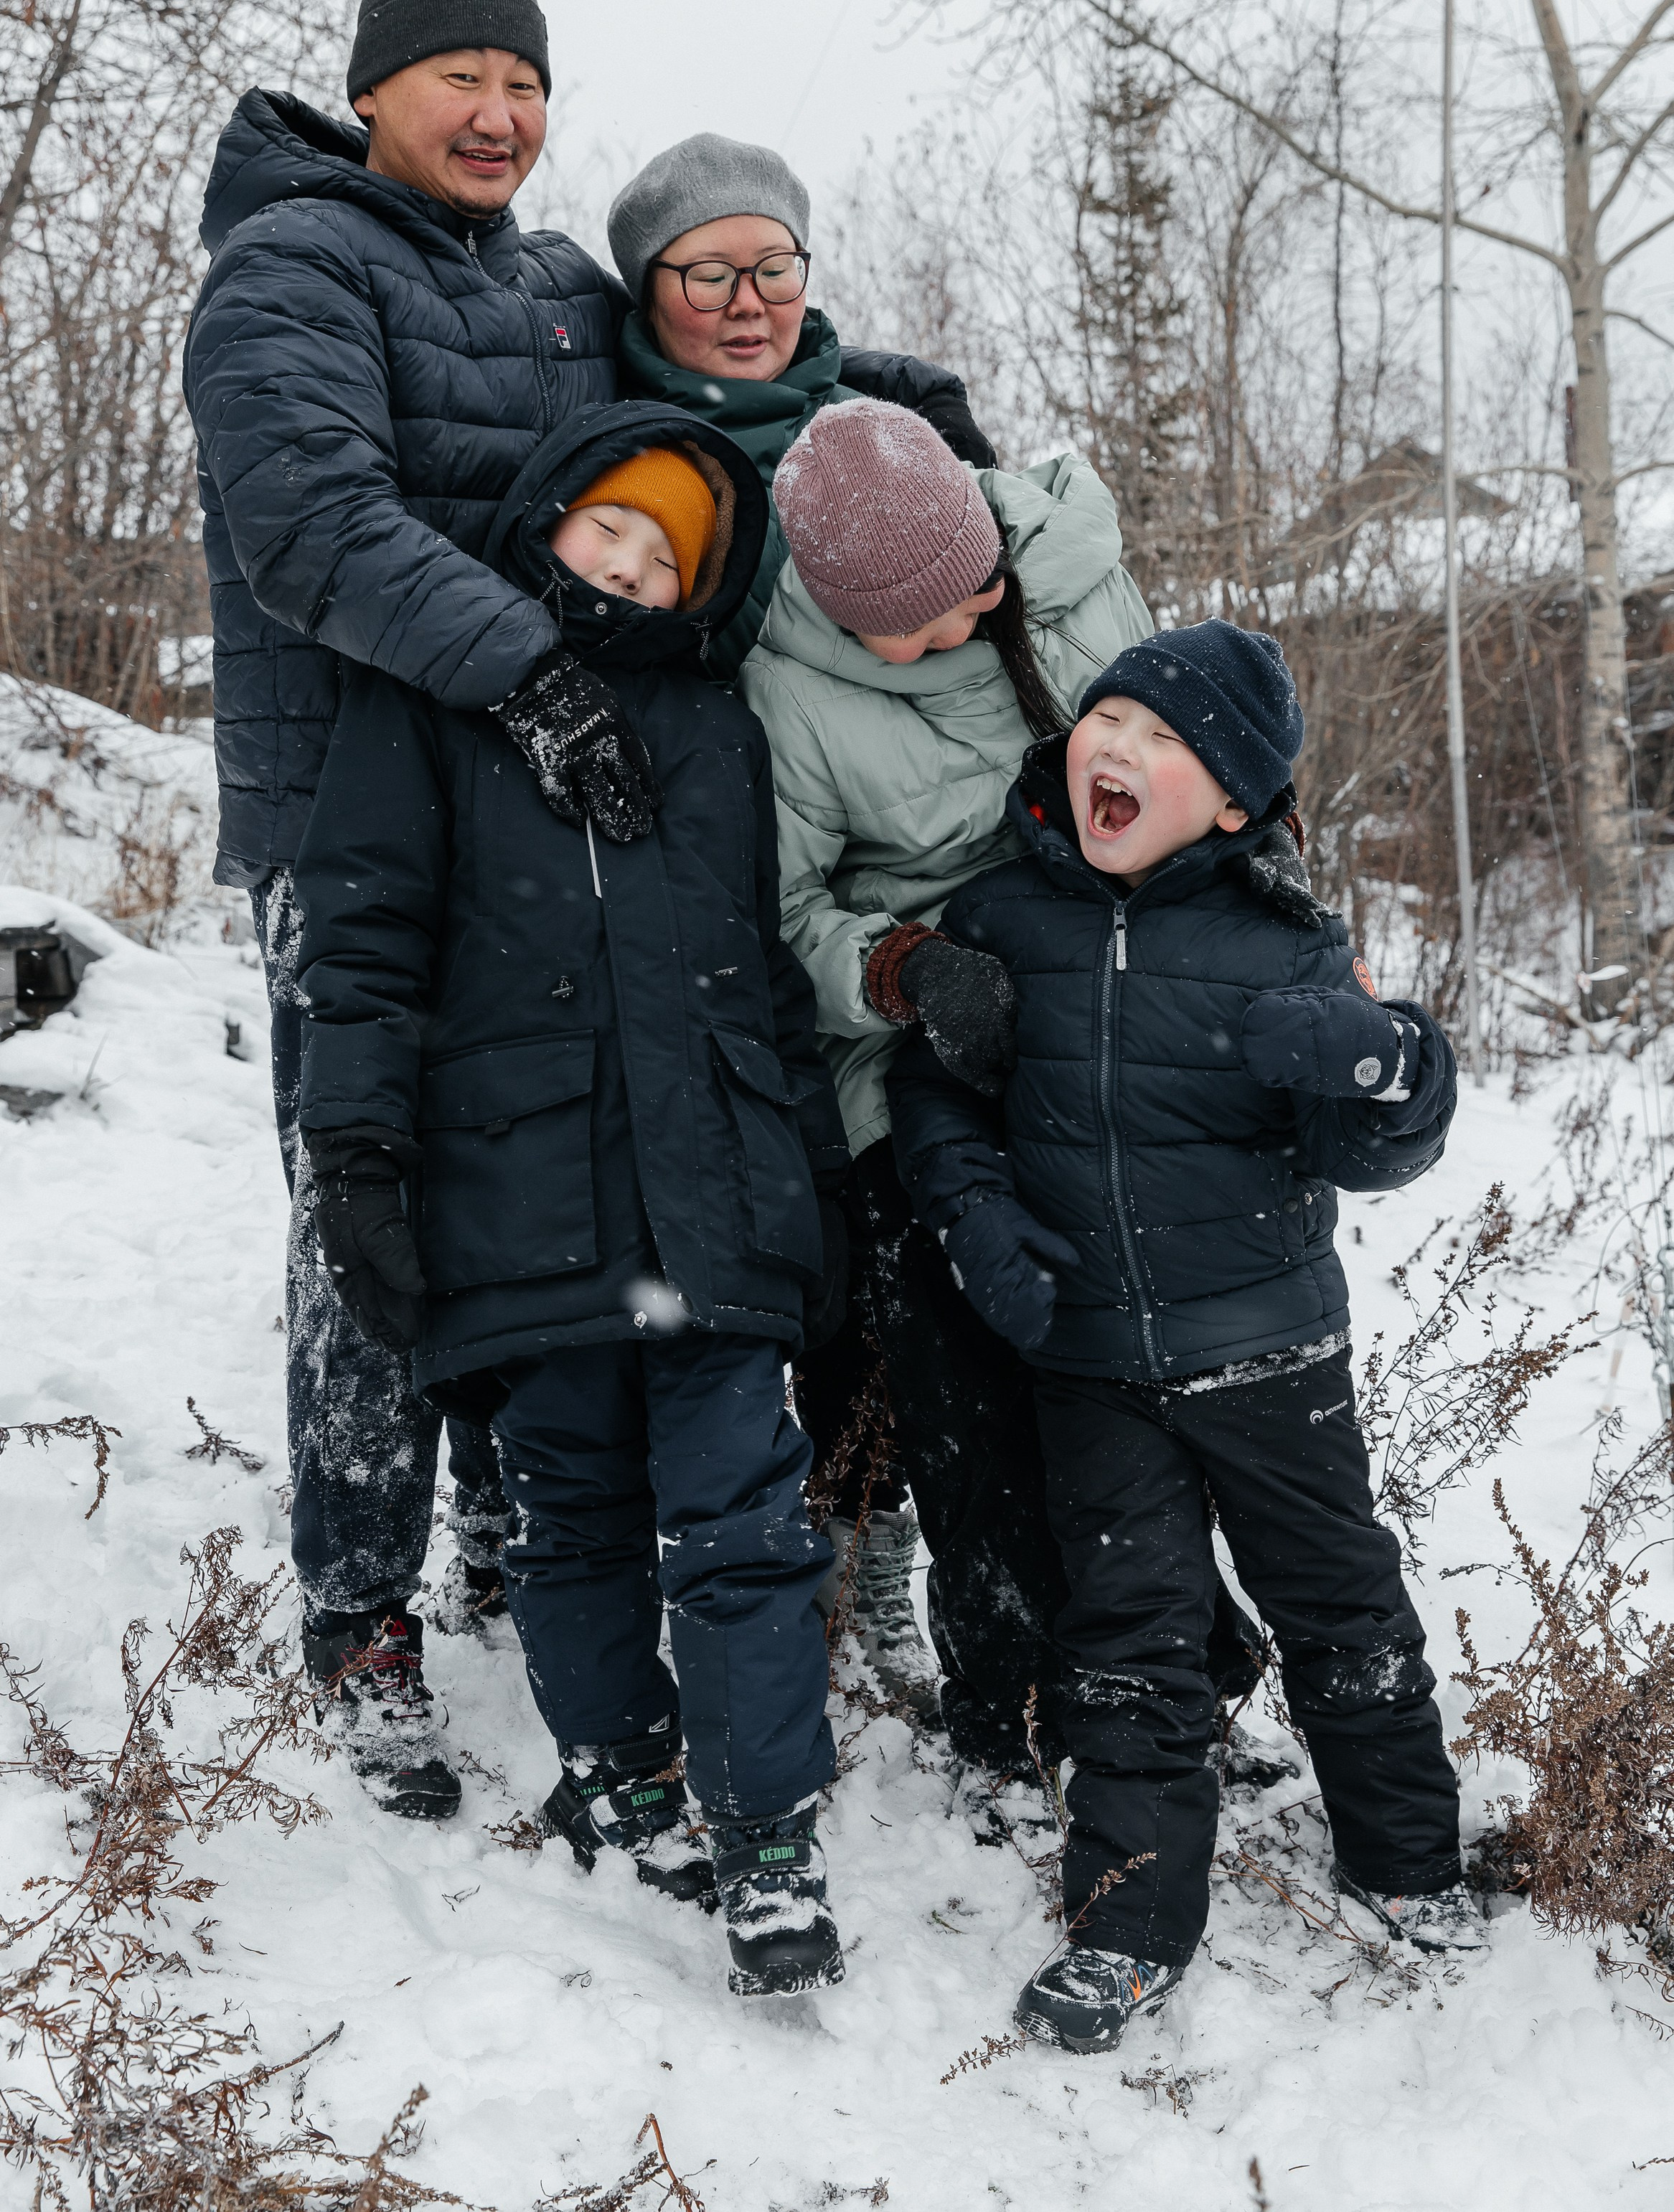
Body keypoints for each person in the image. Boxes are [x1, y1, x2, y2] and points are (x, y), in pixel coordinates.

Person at [184, 0, 656, 1819]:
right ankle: (359, 1606)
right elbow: (309, 523)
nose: (499, 110)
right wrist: (534, 668)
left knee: (522, 1194)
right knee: (364, 1215)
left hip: (530, 829)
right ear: (372, 85)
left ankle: (493, 1532)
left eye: (526, 80)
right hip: (348, 832)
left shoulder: (555, 283)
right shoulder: (288, 263)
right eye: (462, 73)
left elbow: (699, 407)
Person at [292, 402, 850, 2000]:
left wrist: (806, 1191)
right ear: (547, 517)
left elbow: (757, 979)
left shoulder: (719, 733)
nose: (624, 562)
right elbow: (366, 949)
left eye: (663, 552)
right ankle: (614, 1760)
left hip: (710, 1208)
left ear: (700, 587)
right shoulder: (436, 700)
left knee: (742, 1527)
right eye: (605, 524)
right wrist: (360, 1155)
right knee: (570, 1516)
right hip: (520, 1193)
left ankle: (765, 1836)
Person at [888, 619, 1482, 2057]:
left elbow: (1365, 1142)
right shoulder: (999, 920)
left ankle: (1406, 1866)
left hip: (1266, 1352)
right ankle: (1128, 1919)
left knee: (1340, 1610)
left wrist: (1392, 1067)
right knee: (1125, 1644)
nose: (1120, 748)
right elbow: (937, 1099)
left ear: (1228, 802)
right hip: (1087, 1359)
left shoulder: (1280, 943)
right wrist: (971, 1215)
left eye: (1165, 743)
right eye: (1108, 717)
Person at [740, 395, 1178, 1764]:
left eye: (970, 597)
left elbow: (1192, 757)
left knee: (1147, 1386)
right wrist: (900, 966)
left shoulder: (1075, 572)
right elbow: (782, 907)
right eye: (909, 628)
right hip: (918, 1064)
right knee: (971, 1402)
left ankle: (1162, 1680)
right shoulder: (787, 680)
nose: (948, 634)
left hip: (1115, 1020)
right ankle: (1003, 1706)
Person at [610, 132, 997, 681]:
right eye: (711, 278)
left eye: (773, 271)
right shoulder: (610, 458)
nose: (748, 304)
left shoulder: (893, 438)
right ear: (648, 298)